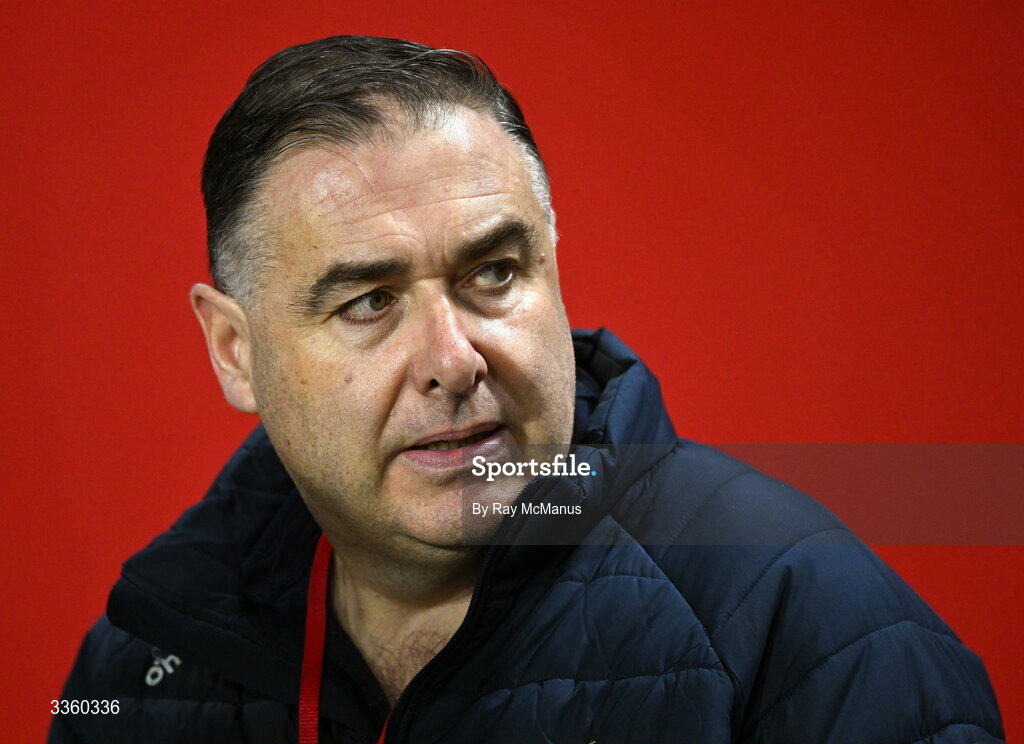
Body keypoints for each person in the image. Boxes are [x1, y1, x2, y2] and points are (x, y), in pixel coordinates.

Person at [50, 35, 1004, 744]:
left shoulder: (815, 635)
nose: (454, 358)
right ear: (234, 352)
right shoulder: (137, 668)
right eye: (370, 301)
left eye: (495, 274)